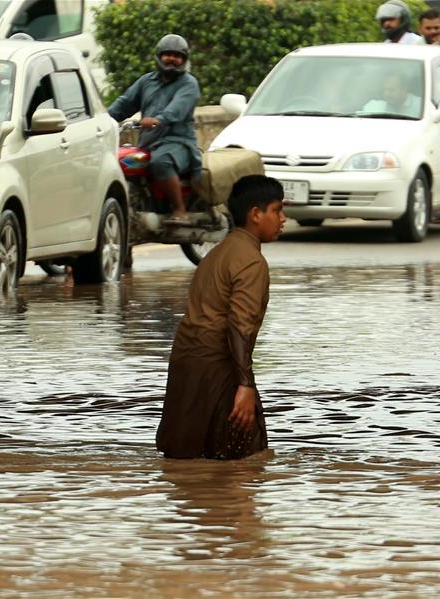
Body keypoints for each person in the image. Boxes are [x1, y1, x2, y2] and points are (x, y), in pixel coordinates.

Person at [156, 175, 286, 460]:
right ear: (255, 214)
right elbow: (239, 327)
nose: (283, 219)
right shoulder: (251, 261)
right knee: (245, 460)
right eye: (277, 210)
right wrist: (245, 385)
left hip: (187, 363)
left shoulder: (216, 254)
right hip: (219, 366)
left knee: (186, 456)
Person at [108, 34, 201, 224]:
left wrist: (159, 119)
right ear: (159, 56)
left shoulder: (189, 84)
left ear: (184, 59)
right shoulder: (146, 81)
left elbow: (177, 109)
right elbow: (124, 103)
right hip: (149, 143)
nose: (172, 59)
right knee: (121, 161)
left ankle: (179, 209)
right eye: (167, 54)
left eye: (177, 56)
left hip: (178, 143)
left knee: (161, 162)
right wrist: (103, 119)